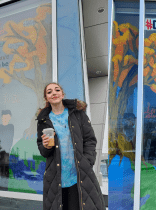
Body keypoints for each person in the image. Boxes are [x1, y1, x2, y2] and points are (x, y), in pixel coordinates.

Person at [36, 82, 105, 210]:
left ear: (62, 94)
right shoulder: (43, 121)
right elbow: (42, 150)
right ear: (46, 98)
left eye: (57, 90)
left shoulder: (77, 114)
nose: (54, 93)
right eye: (49, 92)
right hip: (56, 179)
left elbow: (90, 140)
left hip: (78, 175)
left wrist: (87, 161)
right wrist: (46, 147)